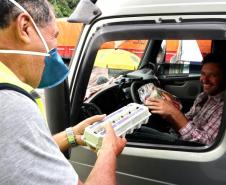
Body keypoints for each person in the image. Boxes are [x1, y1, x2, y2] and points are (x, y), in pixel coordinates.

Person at [0, 0, 126, 185]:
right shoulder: (11, 103)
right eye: (54, 36)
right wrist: (108, 150)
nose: (56, 48)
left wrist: (72, 135)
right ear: (25, 27)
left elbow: (16, 150)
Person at [144, 53, 226, 145]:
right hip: (177, 137)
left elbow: (206, 143)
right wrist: (170, 111)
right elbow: (188, 120)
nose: (205, 80)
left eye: (212, 75)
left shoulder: (222, 108)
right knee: (141, 129)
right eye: (203, 74)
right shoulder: (203, 96)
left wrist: (173, 113)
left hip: (190, 150)